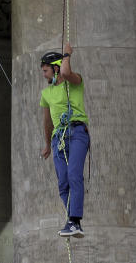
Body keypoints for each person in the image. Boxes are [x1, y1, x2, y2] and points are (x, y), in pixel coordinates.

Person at [40, 42, 90, 237]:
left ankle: (75, 220)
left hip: (77, 132)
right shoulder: (46, 94)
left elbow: (67, 73)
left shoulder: (74, 82)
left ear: (56, 68)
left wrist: (66, 54)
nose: (44, 75)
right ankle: (71, 220)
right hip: (58, 139)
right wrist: (47, 145)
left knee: (74, 174)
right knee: (63, 182)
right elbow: (47, 121)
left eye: (46, 71)